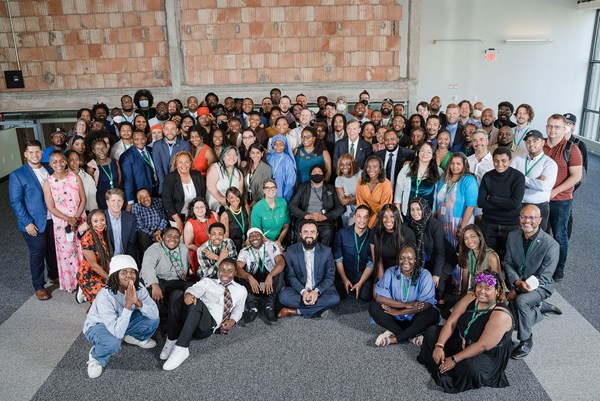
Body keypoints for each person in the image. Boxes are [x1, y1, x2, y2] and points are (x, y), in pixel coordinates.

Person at [417, 270, 513, 393]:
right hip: (463, 339)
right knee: (432, 332)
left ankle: (452, 365)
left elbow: (482, 345)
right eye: (479, 286)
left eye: (488, 288)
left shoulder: (501, 315)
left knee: (470, 367)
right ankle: (442, 360)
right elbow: (451, 322)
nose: (482, 291)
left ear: (497, 291)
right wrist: (439, 345)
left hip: (485, 352)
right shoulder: (471, 297)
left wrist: (454, 359)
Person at [161, 258, 246, 370]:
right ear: (218, 270)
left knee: (197, 303)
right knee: (176, 294)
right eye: (222, 269)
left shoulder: (241, 290)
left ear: (235, 272)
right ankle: (172, 339)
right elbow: (196, 288)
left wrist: (233, 320)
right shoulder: (208, 282)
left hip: (206, 326)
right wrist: (189, 294)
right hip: (191, 318)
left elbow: (239, 310)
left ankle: (181, 348)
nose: (225, 273)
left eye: (230, 270)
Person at [83, 255, 160, 378]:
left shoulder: (139, 289)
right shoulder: (105, 296)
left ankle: (133, 337)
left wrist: (137, 302)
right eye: (123, 272)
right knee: (113, 343)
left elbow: (154, 314)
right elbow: (117, 333)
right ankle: (96, 356)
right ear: (115, 275)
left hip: (123, 321)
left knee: (152, 319)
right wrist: (129, 304)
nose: (129, 276)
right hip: (99, 325)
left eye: (132, 272)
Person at [505, 205, 560, 359]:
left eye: (532, 217)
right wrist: (516, 282)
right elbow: (508, 263)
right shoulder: (513, 236)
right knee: (511, 315)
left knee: (521, 302)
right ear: (519, 218)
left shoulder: (551, 245)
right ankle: (538, 308)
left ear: (540, 220)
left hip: (540, 286)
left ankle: (526, 340)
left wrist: (517, 291)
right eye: (524, 217)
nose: (527, 221)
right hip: (517, 282)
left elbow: (544, 277)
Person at [9, 140, 59, 300]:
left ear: (42, 152)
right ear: (25, 154)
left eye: (37, 151)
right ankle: (39, 286)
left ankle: (54, 275)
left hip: (53, 218)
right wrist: (27, 222)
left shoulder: (49, 168)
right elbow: (16, 202)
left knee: (52, 249)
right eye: (30, 152)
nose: (35, 155)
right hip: (33, 222)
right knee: (38, 253)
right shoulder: (18, 174)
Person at [369, 245, 439, 347]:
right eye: (402, 258)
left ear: (415, 260)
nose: (406, 262)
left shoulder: (425, 275)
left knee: (433, 313)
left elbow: (426, 304)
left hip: (414, 316)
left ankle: (396, 337)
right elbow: (379, 298)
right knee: (374, 308)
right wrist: (405, 305)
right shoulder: (390, 272)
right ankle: (411, 336)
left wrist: (399, 312)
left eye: (410, 258)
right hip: (394, 317)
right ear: (398, 259)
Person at [543, 114, 583, 282]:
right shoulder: (539, 145)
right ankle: (543, 265)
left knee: (560, 235)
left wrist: (556, 191)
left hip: (561, 200)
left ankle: (559, 268)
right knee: (542, 234)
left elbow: (576, 176)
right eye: (550, 126)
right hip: (541, 198)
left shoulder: (571, 149)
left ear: (564, 128)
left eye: (557, 127)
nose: (552, 130)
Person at [43, 151, 86, 292]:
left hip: (79, 220)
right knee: (68, 253)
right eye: (54, 162)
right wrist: (68, 219)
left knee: (83, 250)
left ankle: (85, 282)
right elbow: (50, 207)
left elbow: (83, 199)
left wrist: (76, 218)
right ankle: (73, 284)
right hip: (62, 225)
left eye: (61, 160)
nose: (58, 164)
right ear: (50, 164)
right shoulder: (48, 183)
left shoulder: (75, 177)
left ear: (66, 161)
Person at [278, 221, 340, 318]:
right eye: (305, 232)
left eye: (312, 232)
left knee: (334, 298)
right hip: (300, 290)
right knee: (283, 296)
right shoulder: (291, 251)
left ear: (317, 234)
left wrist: (316, 292)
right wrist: (303, 292)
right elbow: (291, 276)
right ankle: (318, 310)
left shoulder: (326, 251)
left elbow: (330, 276)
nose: (309, 235)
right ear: (300, 234)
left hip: (321, 290)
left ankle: (296, 311)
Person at [478, 147, 525, 259]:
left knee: (509, 259)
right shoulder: (488, 176)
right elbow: (480, 202)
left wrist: (492, 198)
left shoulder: (518, 177)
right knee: (488, 257)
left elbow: (515, 204)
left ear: (510, 161)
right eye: (496, 161)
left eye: (503, 161)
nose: (499, 164)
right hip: (489, 223)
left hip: (511, 225)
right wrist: (505, 203)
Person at [408, 197, 455, 306]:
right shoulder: (412, 224)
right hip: (428, 258)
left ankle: (441, 299)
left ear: (424, 208)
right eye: (412, 210)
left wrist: (436, 274)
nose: (415, 213)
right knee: (422, 281)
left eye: (418, 209)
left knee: (437, 282)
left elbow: (440, 252)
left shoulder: (435, 224)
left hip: (446, 257)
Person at [511, 130, 558, 231]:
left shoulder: (550, 163)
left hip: (539, 206)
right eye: (528, 141)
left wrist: (520, 179)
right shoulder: (518, 158)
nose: (531, 144)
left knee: (538, 238)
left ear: (543, 142)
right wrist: (534, 181)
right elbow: (509, 180)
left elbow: (543, 186)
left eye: (535, 140)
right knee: (515, 235)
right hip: (518, 204)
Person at [236, 228, 285, 323]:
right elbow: (237, 268)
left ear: (262, 237)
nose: (254, 237)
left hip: (270, 281)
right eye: (251, 236)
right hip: (255, 283)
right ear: (248, 240)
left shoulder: (272, 246)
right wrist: (249, 277)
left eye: (257, 235)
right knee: (241, 275)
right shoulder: (245, 251)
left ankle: (269, 304)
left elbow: (281, 262)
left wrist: (270, 275)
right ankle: (252, 306)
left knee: (280, 273)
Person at [288, 165, 345, 247]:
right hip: (305, 220)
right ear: (310, 176)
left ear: (324, 176)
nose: (317, 174)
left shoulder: (331, 189)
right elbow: (291, 206)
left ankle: (324, 256)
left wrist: (325, 217)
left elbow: (341, 208)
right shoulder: (303, 187)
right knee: (303, 230)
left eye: (319, 172)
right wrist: (306, 215)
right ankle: (301, 257)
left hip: (324, 221)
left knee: (328, 231)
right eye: (314, 172)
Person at [141, 227, 192, 318]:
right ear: (163, 237)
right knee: (154, 294)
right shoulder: (154, 249)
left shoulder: (183, 249)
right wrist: (155, 285)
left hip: (174, 281)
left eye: (176, 237)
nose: (173, 239)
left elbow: (186, 269)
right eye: (170, 236)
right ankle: (157, 325)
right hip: (158, 279)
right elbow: (147, 268)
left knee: (191, 287)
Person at [435, 152, 478, 248]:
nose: (455, 166)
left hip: (459, 221)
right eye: (452, 163)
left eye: (458, 164)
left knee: (460, 249)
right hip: (443, 221)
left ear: (464, 165)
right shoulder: (443, 178)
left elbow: (470, 206)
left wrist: (462, 228)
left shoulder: (469, 180)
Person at [332, 206, 374, 301]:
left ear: (369, 219)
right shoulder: (342, 233)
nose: (362, 220)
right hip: (346, 273)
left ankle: (357, 287)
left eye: (365, 217)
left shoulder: (373, 236)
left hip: (363, 274)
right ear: (354, 217)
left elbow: (371, 263)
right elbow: (338, 259)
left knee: (366, 296)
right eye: (359, 216)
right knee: (339, 295)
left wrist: (360, 282)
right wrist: (344, 279)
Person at [162, 151, 207, 232]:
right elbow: (167, 202)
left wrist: (199, 216)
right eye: (180, 162)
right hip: (177, 216)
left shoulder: (197, 175)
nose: (184, 165)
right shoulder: (170, 179)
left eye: (186, 162)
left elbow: (202, 197)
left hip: (196, 215)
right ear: (176, 164)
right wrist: (178, 221)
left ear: (191, 163)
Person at [394, 142, 442, 217]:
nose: (425, 154)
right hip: (407, 213)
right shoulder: (407, 168)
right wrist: (398, 212)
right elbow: (398, 193)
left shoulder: (439, 172)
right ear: (418, 152)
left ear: (433, 155)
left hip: (427, 214)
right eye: (422, 150)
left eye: (429, 152)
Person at [371, 204, 416, 280]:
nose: (388, 220)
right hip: (383, 273)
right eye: (385, 217)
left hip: (403, 272)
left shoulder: (407, 233)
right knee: (378, 290)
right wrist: (383, 282)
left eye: (392, 216)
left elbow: (409, 262)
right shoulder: (375, 232)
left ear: (397, 217)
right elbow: (377, 261)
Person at [77, 209, 113, 303]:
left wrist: (112, 275)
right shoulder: (86, 238)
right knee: (103, 302)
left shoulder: (104, 233)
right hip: (88, 275)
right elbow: (94, 266)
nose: (100, 224)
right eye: (95, 221)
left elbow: (107, 256)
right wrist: (110, 279)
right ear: (90, 223)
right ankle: (83, 288)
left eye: (102, 220)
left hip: (101, 270)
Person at [457, 224, 500, 295]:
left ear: (479, 237)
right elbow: (465, 281)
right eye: (466, 238)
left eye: (472, 236)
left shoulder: (492, 256)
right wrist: (461, 298)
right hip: (475, 290)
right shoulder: (467, 254)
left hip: (490, 291)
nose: (469, 241)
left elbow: (497, 283)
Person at [152, 120, 191, 194]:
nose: (170, 132)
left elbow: (183, 166)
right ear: (163, 130)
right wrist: (165, 184)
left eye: (172, 129)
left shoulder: (185, 145)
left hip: (178, 182)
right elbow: (158, 168)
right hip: (162, 182)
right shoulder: (157, 145)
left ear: (177, 130)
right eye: (167, 129)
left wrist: (173, 183)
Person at [183, 197, 219, 277]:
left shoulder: (214, 215)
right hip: (199, 252)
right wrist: (204, 252)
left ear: (206, 207)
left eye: (202, 207)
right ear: (193, 209)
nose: (200, 209)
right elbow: (188, 244)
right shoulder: (190, 224)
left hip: (216, 248)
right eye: (196, 207)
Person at [250, 178, 290, 249]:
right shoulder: (257, 208)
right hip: (263, 242)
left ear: (276, 189)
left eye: (273, 187)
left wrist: (279, 241)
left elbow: (286, 225)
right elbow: (256, 232)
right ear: (263, 190)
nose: (270, 190)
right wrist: (273, 245)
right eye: (267, 188)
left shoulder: (283, 202)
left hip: (280, 241)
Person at [356, 155, 393, 228]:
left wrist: (372, 222)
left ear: (380, 169)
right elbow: (360, 203)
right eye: (368, 166)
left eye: (375, 166)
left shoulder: (386, 184)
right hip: (366, 215)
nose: (371, 169)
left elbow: (385, 206)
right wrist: (365, 217)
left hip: (382, 216)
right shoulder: (361, 181)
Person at [205, 146, 244, 213]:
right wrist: (221, 199)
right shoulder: (215, 167)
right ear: (223, 156)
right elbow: (210, 186)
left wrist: (234, 202)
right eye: (229, 155)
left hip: (232, 206)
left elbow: (240, 191)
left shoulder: (238, 173)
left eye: (235, 155)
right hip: (215, 206)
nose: (232, 157)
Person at [375, 128, 414, 193]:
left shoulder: (409, 154)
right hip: (381, 194)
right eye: (386, 140)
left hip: (401, 194)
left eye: (392, 139)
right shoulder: (377, 156)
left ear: (398, 140)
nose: (389, 142)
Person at [104, 188, 138, 262]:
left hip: (125, 258)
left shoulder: (130, 218)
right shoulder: (102, 217)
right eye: (113, 201)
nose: (116, 203)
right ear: (107, 202)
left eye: (119, 200)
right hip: (107, 260)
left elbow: (131, 243)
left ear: (123, 202)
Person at [132, 188, 168, 255]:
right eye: (142, 197)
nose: (146, 199)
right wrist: (152, 234)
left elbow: (164, 218)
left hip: (159, 230)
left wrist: (159, 231)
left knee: (168, 232)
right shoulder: (136, 207)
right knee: (143, 237)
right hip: (146, 233)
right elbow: (139, 226)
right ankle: (149, 257)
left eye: (147, 195)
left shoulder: (158, 202)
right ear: (138, 200)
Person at [88, 138, 121, 210]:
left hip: (116, 198)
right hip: (102, 199)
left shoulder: (115, 162)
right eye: (98, 149)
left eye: (103, 148)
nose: (101, 151)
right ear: (93, 151)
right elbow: (91, 189)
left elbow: (119, 181)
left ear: (107, 148)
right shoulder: (91, 167)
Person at [266, 134, 296, 202]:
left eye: (281, 144)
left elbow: (290, 182)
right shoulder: (268, 157)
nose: (278, 146)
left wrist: (286, 197)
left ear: (285, 146)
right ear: (272, 145)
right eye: (275, 144)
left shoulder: (288, 160)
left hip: (281, 191)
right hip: (268, 190)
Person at [334, 154, 361, 228]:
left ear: (352, 164)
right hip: (348, 210)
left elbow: (366, 196)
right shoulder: (339, 179)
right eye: (341, 165)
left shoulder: (361, 174)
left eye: (348, 164)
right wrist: (358, 196)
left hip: (361, 206)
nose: (344, 167)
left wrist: (350, 198)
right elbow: (343, 201)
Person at [220, 187, 249, 253]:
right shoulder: (225, 215)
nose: (235, 199)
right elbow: (226, 235)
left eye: (237, 196)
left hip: (247, 242)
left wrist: (249, 238)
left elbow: (250, 225)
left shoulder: (246, 208)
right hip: (233, 245)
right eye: (231, 197)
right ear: (227, 199)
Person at [243, 143, 272, 208]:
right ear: (249, 154)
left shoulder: (266, 168)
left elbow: (263, 188)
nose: (255, 155)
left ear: (262, 154)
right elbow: (244, 187)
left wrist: (252, 204)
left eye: (258, 153)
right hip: (246, 200)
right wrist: (246, 204)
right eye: (253, 153)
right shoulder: (246, 167)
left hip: (259, 202)